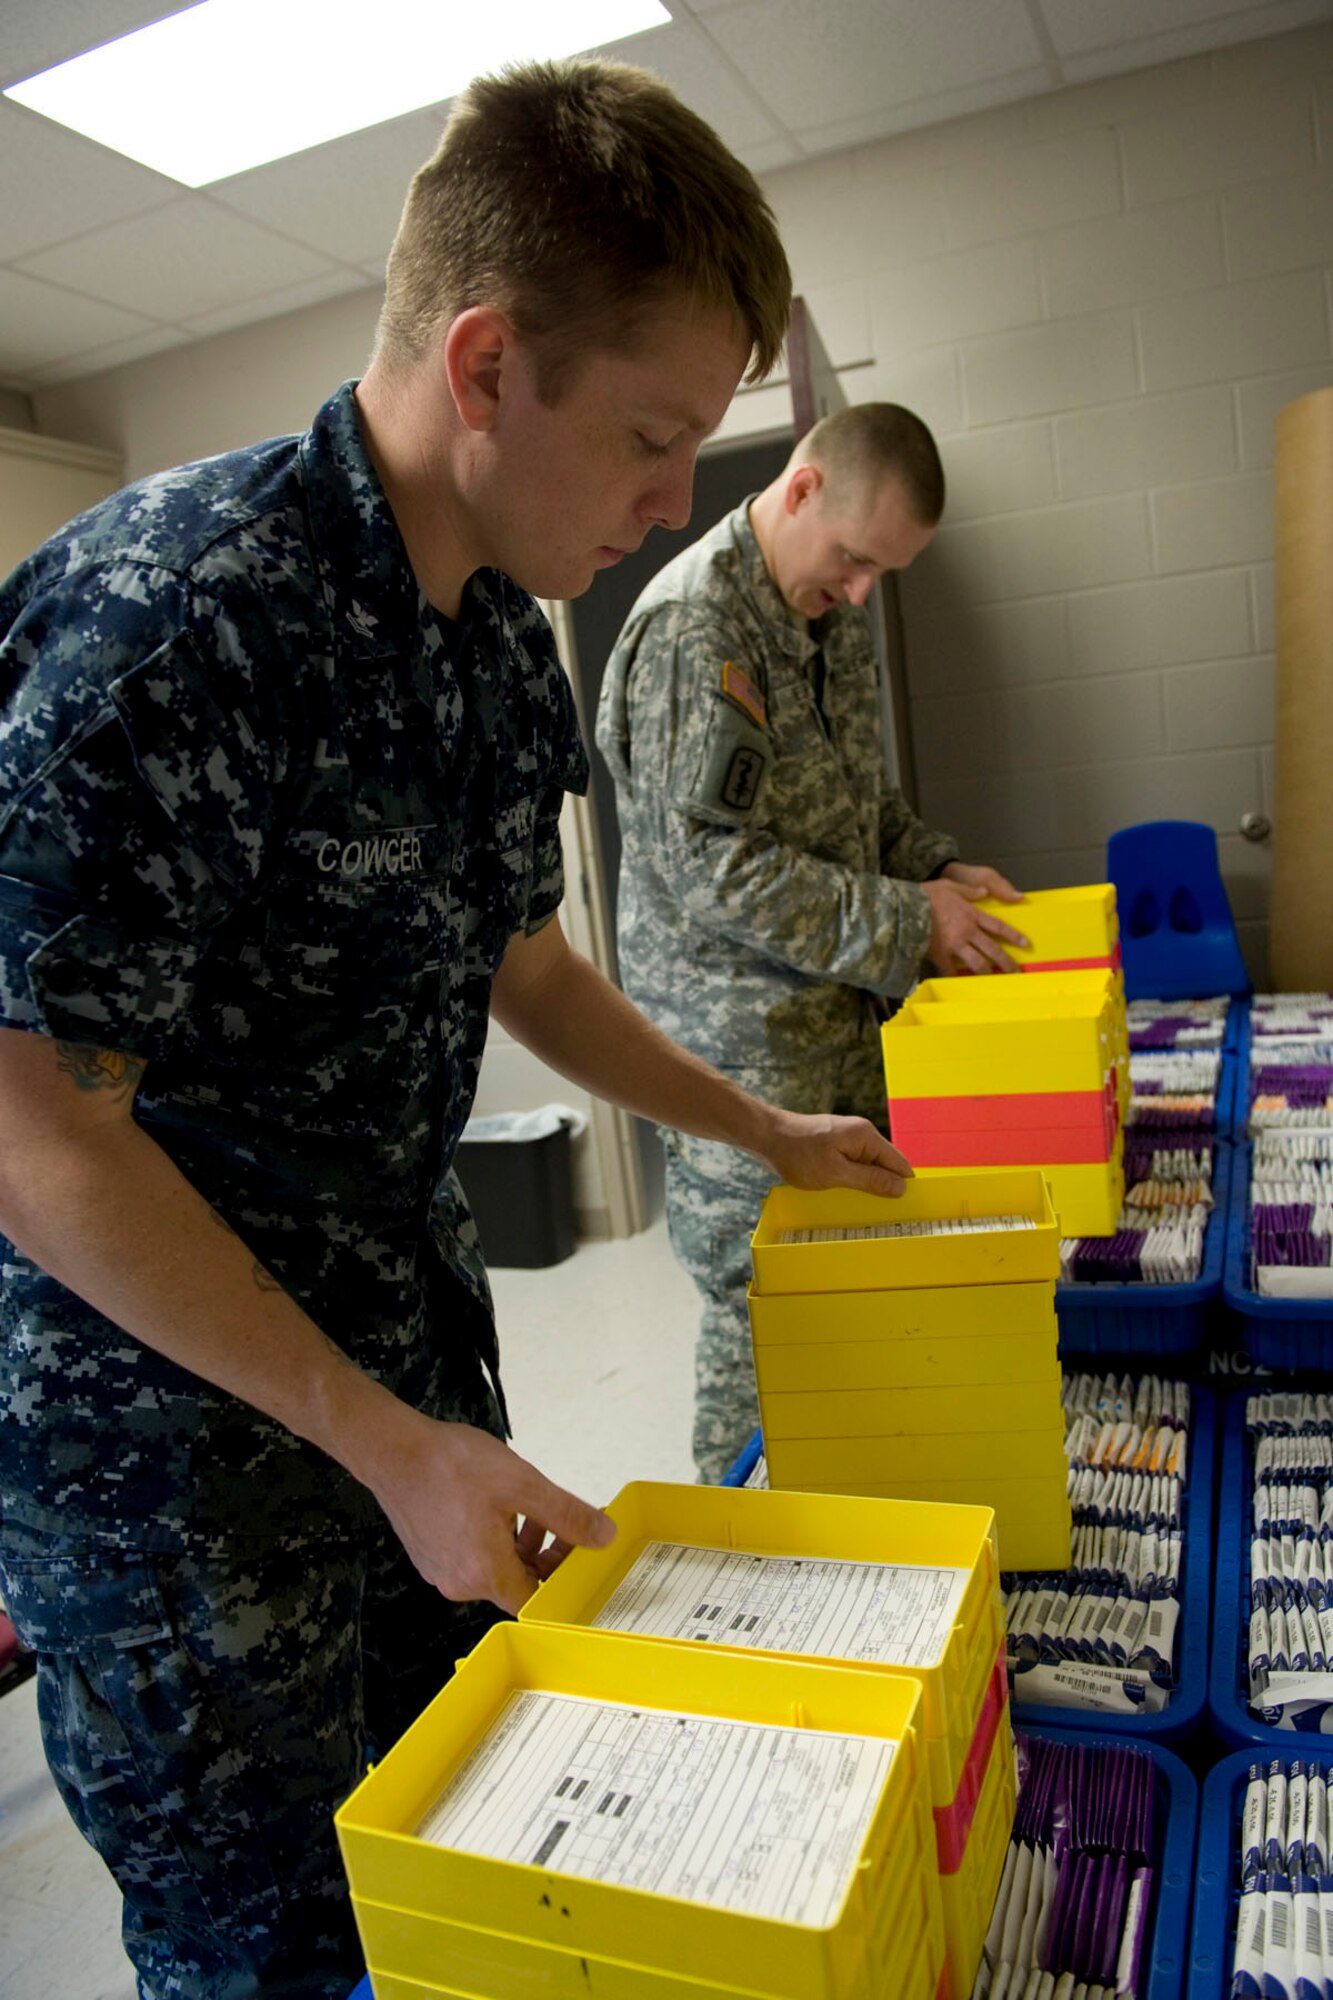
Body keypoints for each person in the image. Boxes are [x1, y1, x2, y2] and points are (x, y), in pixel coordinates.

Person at [0, 62, 914, 2000]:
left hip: (406, 1377)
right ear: (488, 363)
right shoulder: (173, 621)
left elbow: (521, 957)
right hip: (174, 1453)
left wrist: (760, 1125)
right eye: (659, 438)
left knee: (468, 1874)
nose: (683, 502)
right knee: (265, 1945)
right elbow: (31, 1127)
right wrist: (375, 1435)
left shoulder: (495, 621)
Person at [595, 403, 1029, 1481]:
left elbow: (858, 811)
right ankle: (737, 1564)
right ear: (799, 491)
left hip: (837, 1029)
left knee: (849, 1323)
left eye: (883, 571)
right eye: (853, 558)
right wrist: (903, 920)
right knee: (764, 1327)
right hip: (739, 1057)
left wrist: (931, 867)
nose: (862, 589)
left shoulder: (828, 619)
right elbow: (712, 868)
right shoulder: (697, 630)